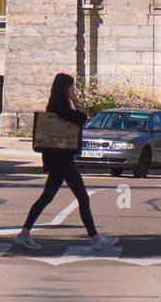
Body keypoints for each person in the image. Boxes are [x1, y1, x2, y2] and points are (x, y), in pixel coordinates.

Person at [15, 73, 118, 252]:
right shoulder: (60, 105)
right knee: (82, 197)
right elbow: (81, 118)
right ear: (66, 88)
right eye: (72, 87)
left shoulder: (55, 104)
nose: (74, 90)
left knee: (47, 196)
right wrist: (76, 101)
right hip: (62, 160)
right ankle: (95, 238)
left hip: (58, 159)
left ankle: (24, 234)